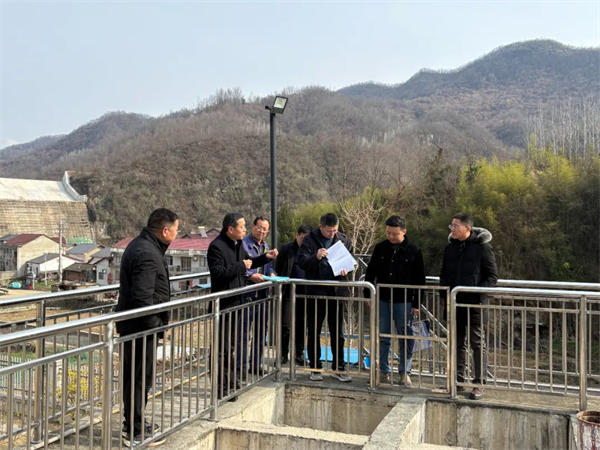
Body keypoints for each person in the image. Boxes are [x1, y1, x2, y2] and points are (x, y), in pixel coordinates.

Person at [116, 208, 179, 447]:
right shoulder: (147, 253)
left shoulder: (143, 245)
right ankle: (135, 431)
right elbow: (143, 298)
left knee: (137, 378)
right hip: (141, 328)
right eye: (176, 230)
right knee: (140, 379)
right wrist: (156, 325)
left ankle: (134, 423)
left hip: (137, 326)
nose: (176, 234)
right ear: (165, 231)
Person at [207, 212, 278, 399]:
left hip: (237, 302)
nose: (245, 230)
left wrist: (266, 257)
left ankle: (231, 383)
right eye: (242, 227)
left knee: (230, 346)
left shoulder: (237, 244)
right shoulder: (216, 246)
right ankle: (221, 387)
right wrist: (241, 266)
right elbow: (218, 272)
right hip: (222, 304)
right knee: (221, 349)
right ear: (230, 229)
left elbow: (250, 262)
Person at [440, 213, 498, 400]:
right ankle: (456, 380)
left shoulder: (482, 247)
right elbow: (444, 274)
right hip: (454, 304)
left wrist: (477, 294)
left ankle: (479, 383)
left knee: (477, 344)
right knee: (456, 343)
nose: (452, 229)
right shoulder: (450, 248)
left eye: (456, 226)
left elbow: (491, 276)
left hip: (474, 305)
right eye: (451, 225)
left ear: (467, 228)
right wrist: (445, 295)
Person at [364, 216, 426, 387]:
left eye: (395, 234)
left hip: (404, 301)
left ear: (404, 232)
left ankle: (405, 372)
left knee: (405, 337)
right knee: (383, 336)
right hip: (383, 299)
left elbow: (419, 279)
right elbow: (370, 273)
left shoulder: (414, 250)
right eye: (388, 233)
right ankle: (382, 371)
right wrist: (368, 294)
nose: (391, 236)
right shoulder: (381, 248)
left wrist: (416, 303)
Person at [297, 213, 353, 382]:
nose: (332, 233)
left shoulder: (343, 240)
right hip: (316, 291)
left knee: (338, 331)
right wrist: (316, 257)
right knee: (314, 329)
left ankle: (339, 366)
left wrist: (347, 269)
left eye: (335, 230)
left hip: (337, 291)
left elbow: (351, 259)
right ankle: (315, 366)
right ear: (320, 227)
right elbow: (302, 262)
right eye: (329, 231)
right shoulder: (309, 240)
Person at [239, 217, 276, 376]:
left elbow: (269, 267)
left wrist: (272, 274)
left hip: (263, 295)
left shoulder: (266, 247)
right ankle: (241, 367)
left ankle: (256, 364)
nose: (261, 231)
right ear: (253, 226)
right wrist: (250, 276)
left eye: (265, 229)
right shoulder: (243, 244)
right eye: (259, 227)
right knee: (243, 334)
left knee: (261, 332)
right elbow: (239, 265)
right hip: (247, 294)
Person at [274, 224, 312, 365]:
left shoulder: (311, 250)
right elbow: (278, 268)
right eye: (302, 238)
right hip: (288, 293)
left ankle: (299, 354)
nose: (304, 241)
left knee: (302, 325)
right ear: (297, 235)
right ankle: (283, 354)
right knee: (285, 324)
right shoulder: (286, 249)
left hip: (305, 293)